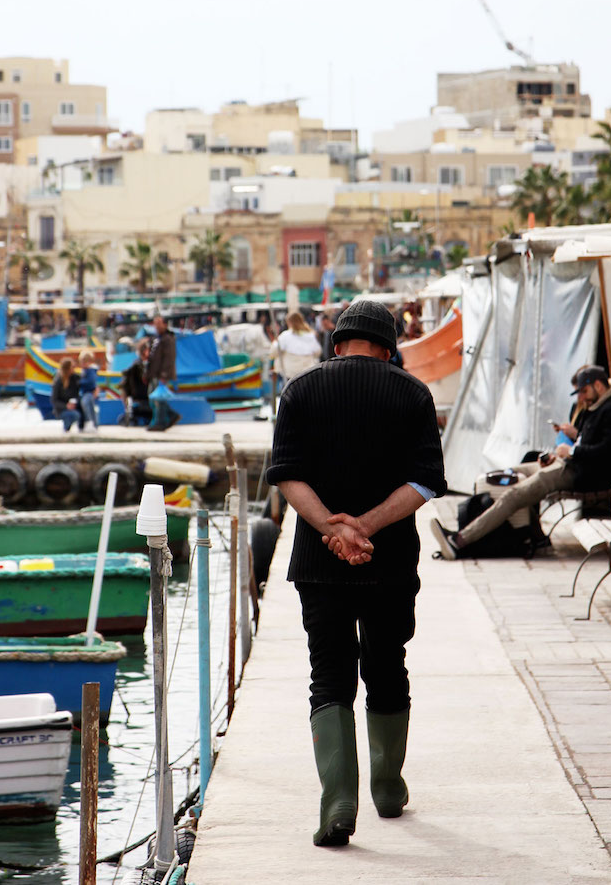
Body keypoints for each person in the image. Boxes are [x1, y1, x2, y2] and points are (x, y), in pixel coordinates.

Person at [266, 300, 446, 848]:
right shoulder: (413, 393)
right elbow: (425, 484)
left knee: (330, 673)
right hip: (389, 558)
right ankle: (388, 788)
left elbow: (286, 475)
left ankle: (338, 801)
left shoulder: (300, 390)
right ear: (389, 349)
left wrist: (332, 528)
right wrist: (365, 526)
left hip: (319, 563)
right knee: (388, 663)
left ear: (336, 343)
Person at [431, 364, 611, 560]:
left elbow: (606, 453)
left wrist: (571, 451)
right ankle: (533, 536)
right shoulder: (597, 407)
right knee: (508, 475)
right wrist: (560, 455)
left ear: (598, 386)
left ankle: (460, 540)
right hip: (569, 464)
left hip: (582, 474)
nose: (581, 397)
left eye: (584, 391)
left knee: (514, 494)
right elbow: (589, 443)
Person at [146, 315, 180, 431]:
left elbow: (169, 359)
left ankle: (160, 422)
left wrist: (164, 375)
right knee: (154, 398)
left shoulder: (168, 339)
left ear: (165, 325)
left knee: (158, 399)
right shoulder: (157, 339)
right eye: (155, 324)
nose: (157, 326)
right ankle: (170, 415)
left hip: (162, 374)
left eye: (159, 323)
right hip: (154, 373)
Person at [270, 311, 321, 383]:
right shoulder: (310, 334)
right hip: (308, 372)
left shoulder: (285, 336)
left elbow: (274, 351)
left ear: (289, 322)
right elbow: (317, 352)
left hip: (291, 373)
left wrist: (275, 341)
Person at [119, 338, 152, 425]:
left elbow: (124, 385)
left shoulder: (136, 366)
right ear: (146, 351)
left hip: (139, 400)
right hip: (144, 400)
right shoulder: (139, 366)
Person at [51, 357, 81, 432]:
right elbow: (54, 400)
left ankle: (80, 427)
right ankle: (66, 428)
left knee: (79, 412)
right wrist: (66, 406)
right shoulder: (58, 381)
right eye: (72, 367)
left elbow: (83, 384)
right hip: (61, 410)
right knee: (75, 414)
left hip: (73, 406)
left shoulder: (74, 378)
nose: (74, 369)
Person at [77, 349, 100, 430]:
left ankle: (91, 422)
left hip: (89, 393)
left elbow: (91, 382)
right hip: (84, 393)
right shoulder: (84, 371)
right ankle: (84, 424)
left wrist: (80, 382)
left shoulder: (90, 371)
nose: (83, 364)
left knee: (87, 406)